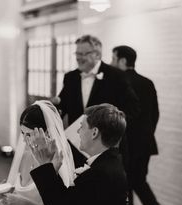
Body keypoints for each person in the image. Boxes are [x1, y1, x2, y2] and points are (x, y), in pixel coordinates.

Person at [53, 34, 140, 168]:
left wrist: (108, 127)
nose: (79, 58)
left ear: (98, 55)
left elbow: (132, 110)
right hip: (77, 149)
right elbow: (61, 107)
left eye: (84, 53)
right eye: (77, 53)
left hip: (105, 151)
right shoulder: (71, 77)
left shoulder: (117, 76)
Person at [111, 45, 168, 205]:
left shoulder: (118, 82)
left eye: (113, 58)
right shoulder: (148, 83)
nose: (111, 62)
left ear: (122, 60)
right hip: (145, 143)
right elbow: (156, 113)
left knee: (126, 185)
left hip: (126, 144)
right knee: (139, 181)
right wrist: (147, 135)